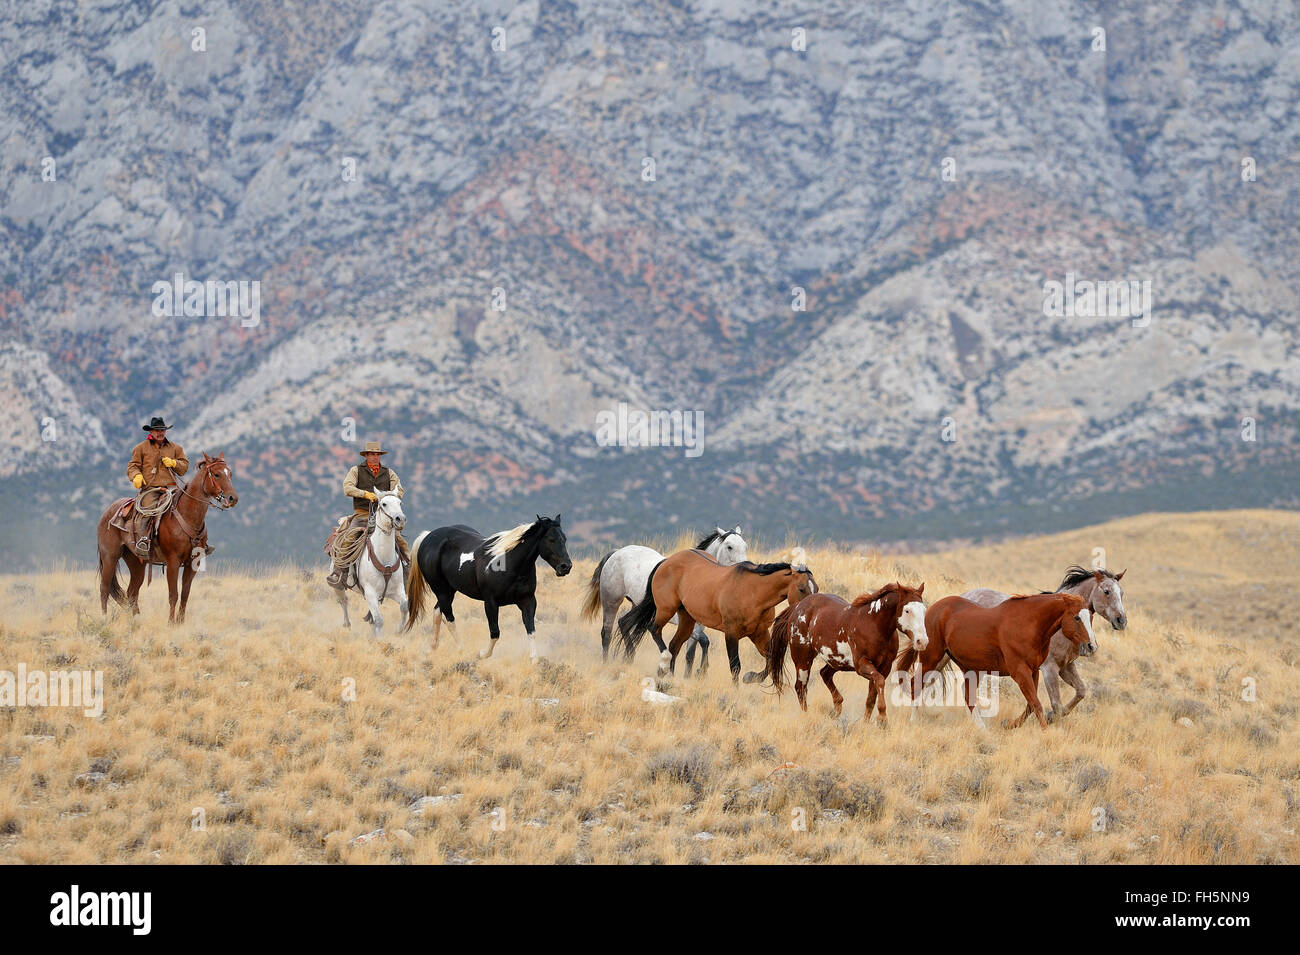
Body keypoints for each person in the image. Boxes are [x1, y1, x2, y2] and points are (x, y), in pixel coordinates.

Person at [325, 441, 409, 588]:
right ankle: (339, 573)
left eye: (377, 454)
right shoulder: (356, 470)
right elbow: (347, 487)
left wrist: (386, 496)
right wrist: (364, 494)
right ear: (366, 455)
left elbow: (399, 490)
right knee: (349, 537)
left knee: (400, 541)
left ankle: (408, 572)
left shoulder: (389, 472)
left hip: (383, 516)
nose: (375, 457)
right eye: (372, 454)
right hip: (361, 514)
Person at [126, 415, 192, 556]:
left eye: (162, 430)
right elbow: (132, 466)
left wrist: (175, 463)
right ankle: (143, 540)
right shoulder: (141, 448)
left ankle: (198, 542)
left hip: (172, 488)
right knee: (147, 510)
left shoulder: (175, 448)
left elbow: (184, 467)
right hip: (151, 489)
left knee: (190, 507)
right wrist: (136, 476)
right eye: (157, 430)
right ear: (151, 432)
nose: (160, 432)